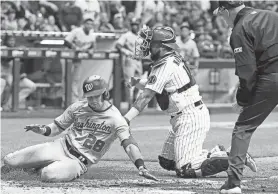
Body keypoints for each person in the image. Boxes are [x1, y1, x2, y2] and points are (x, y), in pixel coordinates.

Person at [124, 26, 257, 180]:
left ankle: (236, 157)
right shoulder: (168, 59)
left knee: (185, 170)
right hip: (184, 116)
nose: (145, 46)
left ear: (161, 46)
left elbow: (146, 96)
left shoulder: (165, 64)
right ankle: (217, 153)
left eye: (150, 43)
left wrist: (125, 119)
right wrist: (136, 82)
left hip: (189, 117)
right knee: (167, 161)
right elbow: (155, 84)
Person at [2, 75, 157, 182]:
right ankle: (38, 164)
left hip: (78, 161)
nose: (93, 100)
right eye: (90, 96)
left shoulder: (116, 119)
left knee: (48, 175)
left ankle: (41, 168)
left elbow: (129, 144)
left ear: (105, 94)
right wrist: (42, 130)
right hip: (59, 147)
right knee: (9, 161)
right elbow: (56, 127)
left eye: (97, 96)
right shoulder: (78, 107)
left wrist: (141, 165)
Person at [213, 1, 278, 193]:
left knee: (243, 129)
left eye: (221, 14)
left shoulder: (239, 29)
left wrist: (242, 100)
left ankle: (233, 184)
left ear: (225, 10)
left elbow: (247, 73)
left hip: (272, 77)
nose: (222, 19)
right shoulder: (271, 15)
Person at [63, 15, 96, 104]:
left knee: (75, 79)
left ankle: (73, 100)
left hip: (77, 59)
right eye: (87, 23)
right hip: (67, 58)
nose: (89, 26)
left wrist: (91, 50)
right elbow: (65, 42)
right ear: (83, 24)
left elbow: (93, 47)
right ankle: (65, 100)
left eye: (91, 24)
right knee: (66, 78)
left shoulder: (92, 35)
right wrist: (74, 47)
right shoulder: (77, 31)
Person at [115, 18, 143, 108]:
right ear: (131, 26)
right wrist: (127, 52)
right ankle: (129, 103)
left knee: (139, 83)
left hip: (139, 61)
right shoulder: (126, 35)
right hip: (130, 60)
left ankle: (134, 100)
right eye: (133, 24)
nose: (134, 26)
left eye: (136, 24)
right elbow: (118, 45)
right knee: (129, 83)